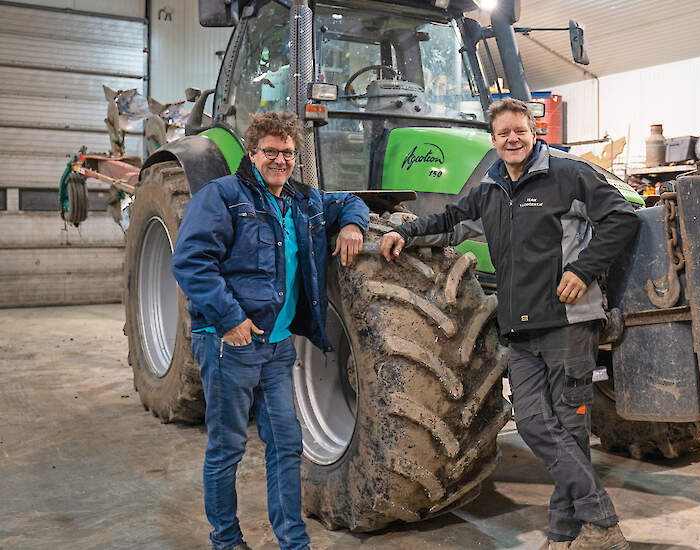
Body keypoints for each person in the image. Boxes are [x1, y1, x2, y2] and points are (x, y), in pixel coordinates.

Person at [379, 98, 638, 550]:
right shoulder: (491, 186)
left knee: (570, 428)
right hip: (519, 329)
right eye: (503, 134)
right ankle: (600, 523)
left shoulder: (569, 174)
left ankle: (566, 534)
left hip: (567, 324)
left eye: (520, 130)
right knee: (538, 424)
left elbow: (621, 217)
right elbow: (450, 220)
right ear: (494, 139)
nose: (512, 139)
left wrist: (583, 270)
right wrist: (407, 230)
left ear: (533, 130)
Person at [171, 112, 368, 550]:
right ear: (252, 152)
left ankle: (293, 541)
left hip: (278, 350)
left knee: (286, 445)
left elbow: (349, 201)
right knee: (228, 449)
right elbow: (190, 263)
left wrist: (354, 225)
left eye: (288, 153)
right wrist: (230, 320)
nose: (279, 160)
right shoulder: (221, 196)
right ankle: (226, 539)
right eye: (270, 152)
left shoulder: (302, 200)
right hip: (229, 345)